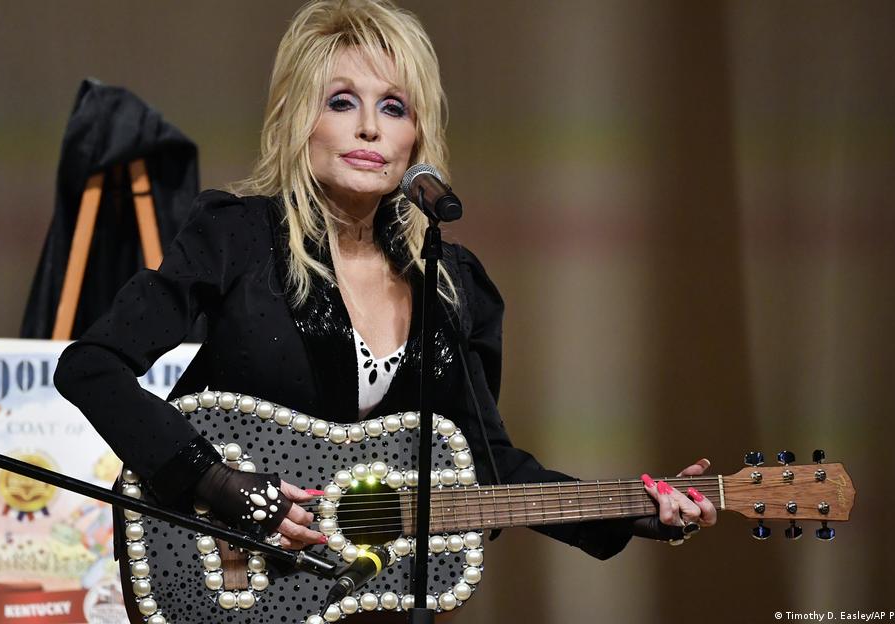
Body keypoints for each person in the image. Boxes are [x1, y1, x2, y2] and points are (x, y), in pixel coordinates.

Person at [54, 0, 716, 621]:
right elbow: (91, 367)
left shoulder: (456, 288)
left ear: (416, 139)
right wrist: (217, 482)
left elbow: (484, 464)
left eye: (393, 107)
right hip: (225, 570)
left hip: (370, 597)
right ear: (298, 118)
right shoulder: (238, 237)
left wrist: (632, 511)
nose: (370, 126)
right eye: (342, 102)